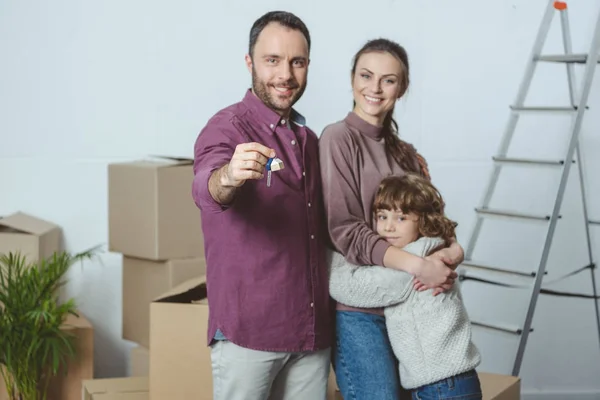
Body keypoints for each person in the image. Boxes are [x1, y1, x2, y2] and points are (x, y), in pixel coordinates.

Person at [192, 11, 332, 400]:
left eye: (297, 62)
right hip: (249, 334)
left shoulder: (310, 140)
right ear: (250, 62)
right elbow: (206, 189)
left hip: (310, 334)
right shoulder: (227, 128)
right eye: (272, 60)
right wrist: (231, 175)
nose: (285, 74)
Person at [319, 38, 465, 399]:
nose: (375, 88)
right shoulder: (337, 139)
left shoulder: (408, 155)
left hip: (409, 309)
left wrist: (453, 253)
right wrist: (418, 266)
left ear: (402, 87)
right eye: (366, 75)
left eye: (388, 79)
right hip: (360, 313)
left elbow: (435, 223)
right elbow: (345, 231)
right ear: (352, 78)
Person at [329, 174, 483, 400]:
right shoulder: (434, 248)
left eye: (401, 218)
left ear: (422, 221)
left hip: (441, 387)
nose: (388, 227)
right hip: (452, 382)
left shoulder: (415, 259)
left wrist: (329, 251)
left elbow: (350, 287)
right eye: (382, 216)